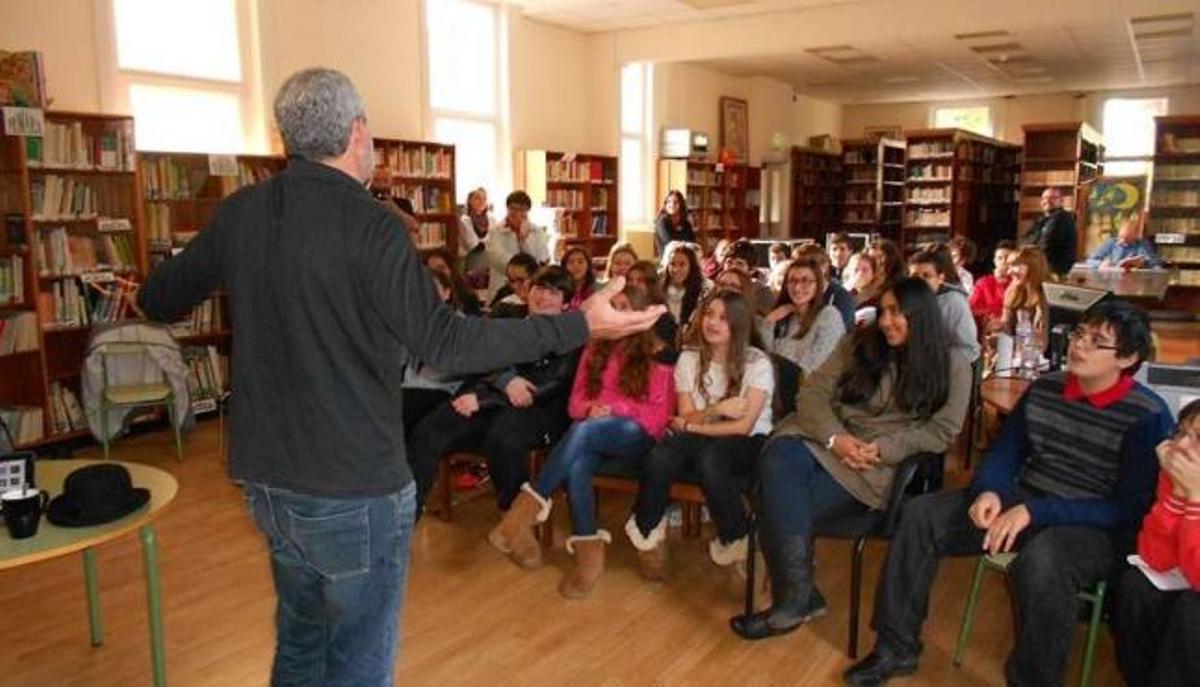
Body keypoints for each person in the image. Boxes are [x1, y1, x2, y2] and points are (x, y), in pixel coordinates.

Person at [132, 67, 661, 687]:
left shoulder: (242, 210)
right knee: (357, 661)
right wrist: (577, 326)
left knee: (302, 641)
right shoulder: (371, 224)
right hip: (351, 483)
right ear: (359, 133)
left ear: (285, 140)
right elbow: (447, 340)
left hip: (266, 476)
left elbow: (160, 298)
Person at [845, 299, 1172, 687]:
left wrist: (1037, 512)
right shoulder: (1047, 388)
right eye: (1079, 334)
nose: (1079, 346)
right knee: (922, 515)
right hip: (1028, 500)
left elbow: (1129, 510)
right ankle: (895, 647)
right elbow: (1006, 451)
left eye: (1096, 341)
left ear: (1128, 357)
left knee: (1045, 561)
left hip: (1094, 526)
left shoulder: (1147, 415)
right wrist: (991, 491)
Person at [732, 278, 972, 640]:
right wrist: (834, 438)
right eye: (884, 311)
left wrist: (882, 450)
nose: (887, 321)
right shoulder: (860, 341)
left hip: (871, 462)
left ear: (921, 317)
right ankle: (796, 598)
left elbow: (942, 431)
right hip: (821, 435)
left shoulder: (953, 364)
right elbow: (812, 392)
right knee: (780, 455)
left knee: (775, 497)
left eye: (897, 313)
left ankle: (799, 598)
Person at [488, 287, 676, 599]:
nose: (615, 312)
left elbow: (657, 418)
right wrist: (592, 410)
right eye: (612, 306)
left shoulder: (656, 350)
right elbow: (575, 405)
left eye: (624, 307)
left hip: (638, 435)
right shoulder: (595, 347)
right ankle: (589, 556)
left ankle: (527, 509)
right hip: (594, 428)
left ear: (638, 314)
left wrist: (613, 409)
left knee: (585, 432)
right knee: (578, 461)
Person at [407, 266, 581, 515]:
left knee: (505, 436)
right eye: (539, 289)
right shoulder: (508, 323)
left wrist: (485, 398)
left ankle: (515, 516)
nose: (543, 297)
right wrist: (501, 382)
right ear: (527, 293)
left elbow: (541, 388)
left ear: (566, 304)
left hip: (538, 411)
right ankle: (409, 509)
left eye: (554, 293)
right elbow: (478, 359)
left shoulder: (571, 338)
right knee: (432, 427)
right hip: (486, 399)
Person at [628, 290, 773, 582]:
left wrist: (693, 426)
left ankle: (738, 543)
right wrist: (716, 409)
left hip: (749, 440)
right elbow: (685, 415)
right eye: (709, 314)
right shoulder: (689, 358)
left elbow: (741, 427)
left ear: (739, 325)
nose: (713, 323)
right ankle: (649, 533)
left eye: (723, 318)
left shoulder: (758, 363)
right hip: (704, 431)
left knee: (711, 462)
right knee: (660, 457)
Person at [1113, 399, 1200, 687]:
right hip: (1186, 575)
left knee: (1191, 610)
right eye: (1181, 433)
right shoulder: (1177, 472)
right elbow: (1154, 557)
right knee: (1134, 587)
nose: (1183, 446)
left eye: (1198, 439)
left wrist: (1195, 499)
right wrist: (1177, 494)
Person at [759, 256, 846, 380]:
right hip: (777, 385)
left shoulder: (829, 316)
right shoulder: (784, 317)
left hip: (810, 390)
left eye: (806, 281)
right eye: (792, 281)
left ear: (818, 285)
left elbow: (814, 368)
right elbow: (765, 358)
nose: (797, 287)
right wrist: (769, 321)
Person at [909, 248, 980, 363]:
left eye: (926, 276)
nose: (919, 282)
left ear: (940, 278)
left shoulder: (954, 302)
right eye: (914, 276)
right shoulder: (905, 298)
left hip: (946, 367)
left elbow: (968, 349)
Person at [485, 190, 550, 300]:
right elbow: (498, 259)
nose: (517, 213)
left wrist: (524, 240)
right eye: (513, 209)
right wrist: (522, 268)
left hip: (529, 289)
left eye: (521, 209)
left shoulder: (536, 231)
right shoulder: (495, 231)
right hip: (503, 288)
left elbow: (541, 259)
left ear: (527, 211)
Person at [794, 243, 856, 330]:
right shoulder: (795, 293)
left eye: (808, 266)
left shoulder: (840, 297)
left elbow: (839, 333)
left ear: (823, 266)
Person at [1002, 246, 1051, 353]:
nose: (1009, 272)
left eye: (1015, 265)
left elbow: (1042, 343)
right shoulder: (1011, 292)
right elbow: (1006, 332)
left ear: (1033, 266)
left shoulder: (1048, 297)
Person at [1023, 187, 1077, 277]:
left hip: (1055, 272)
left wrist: (1031, 247)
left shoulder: (1062, 218)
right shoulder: (1041, 220)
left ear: (1061, 201)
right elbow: (1024, 240)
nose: (1047, 201)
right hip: (1040, 269)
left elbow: (1046, 244)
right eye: (1044, 198)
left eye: (1052, 198)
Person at [969, 239, 1016, 335]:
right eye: (999, 258)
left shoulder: (1018, 283)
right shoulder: (983, 282)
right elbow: (972, 308)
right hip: (989, 329)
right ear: (994, 261)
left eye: (1007, 258)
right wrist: (990, 315)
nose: (1003, 262)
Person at [424, 247, 482, 315]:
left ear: (451, 269)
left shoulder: (467, 297)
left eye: (441, 268)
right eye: (431, 270)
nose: (436, 273)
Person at [1090, 214, 1161, 269]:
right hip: (1114, 279)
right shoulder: (1111, 242)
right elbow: (1091, 261)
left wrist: (1144, 263)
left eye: (1127, 238)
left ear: (1135, 235)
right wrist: (1101, 264)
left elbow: (1156, 263)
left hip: (1135, 279)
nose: (1122, 240)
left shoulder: (1142, 244)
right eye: (1121, 236)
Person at [663, 242, 706, 329]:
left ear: (691, 267)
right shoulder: (661, 288)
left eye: (682, 264)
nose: (676, 269)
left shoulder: (703, 290)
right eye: (672, 264)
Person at [489, 253, 540, 319]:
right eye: (512, 281)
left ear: (535, 278)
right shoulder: (503, 307)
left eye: (521, 280)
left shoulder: (548, 305)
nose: (515, 286)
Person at [654, 190, 696, 256]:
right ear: (665, 204)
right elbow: (670, 243)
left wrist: (684, 245)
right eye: (669, 202)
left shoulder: (686, 223)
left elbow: (693, 243)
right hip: (668, 259)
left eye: (675, 202)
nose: (672, 204)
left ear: (681, 204)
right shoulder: (662, 222)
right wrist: (685, 244)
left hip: (686, 257)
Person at [561, 244, 596, 310]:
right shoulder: (559, 291)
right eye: (571, 262)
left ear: (588, 265)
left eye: (580, 262)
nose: (576, 266)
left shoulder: (597, 289)